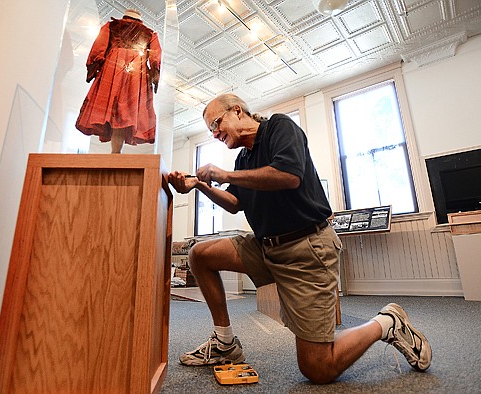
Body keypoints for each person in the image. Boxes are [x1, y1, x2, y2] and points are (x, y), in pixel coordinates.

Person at [168, 93, 432, 384]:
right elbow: (234, 202)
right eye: (210, 131)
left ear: (238, 110)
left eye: (216, 124)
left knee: (318, 368)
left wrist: (222, 173)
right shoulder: (243, 159)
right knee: (200, 254)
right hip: (267, 247)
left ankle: (386, 323)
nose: (214, 133)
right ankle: (225, 344)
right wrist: (200, 185)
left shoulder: (279, 128)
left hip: (307, 249)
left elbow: (288, 176)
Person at [76, 9, 161, 153]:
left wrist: (94, 66)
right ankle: (116, 151)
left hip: (114, 70)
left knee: (118, 110)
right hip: (135, 74)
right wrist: (154, 74)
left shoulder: (111, 26)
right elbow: (155, 58)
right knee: (125, 112)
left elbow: (98, 49)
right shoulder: (150, 34)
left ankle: (115, 151)